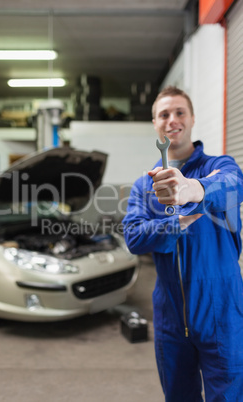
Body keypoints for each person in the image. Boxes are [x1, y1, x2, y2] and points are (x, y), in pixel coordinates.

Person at [122, 86, 243, 401]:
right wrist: (173, 223)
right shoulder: (144, 186)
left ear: (191, 119)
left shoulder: (220, 166)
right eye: (164, 114)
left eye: (179, 112)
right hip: (170, 313)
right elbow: (133, 236)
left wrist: (193, 189)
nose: (172, 119)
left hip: (222, 306)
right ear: (155, 124)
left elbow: (234, 186)